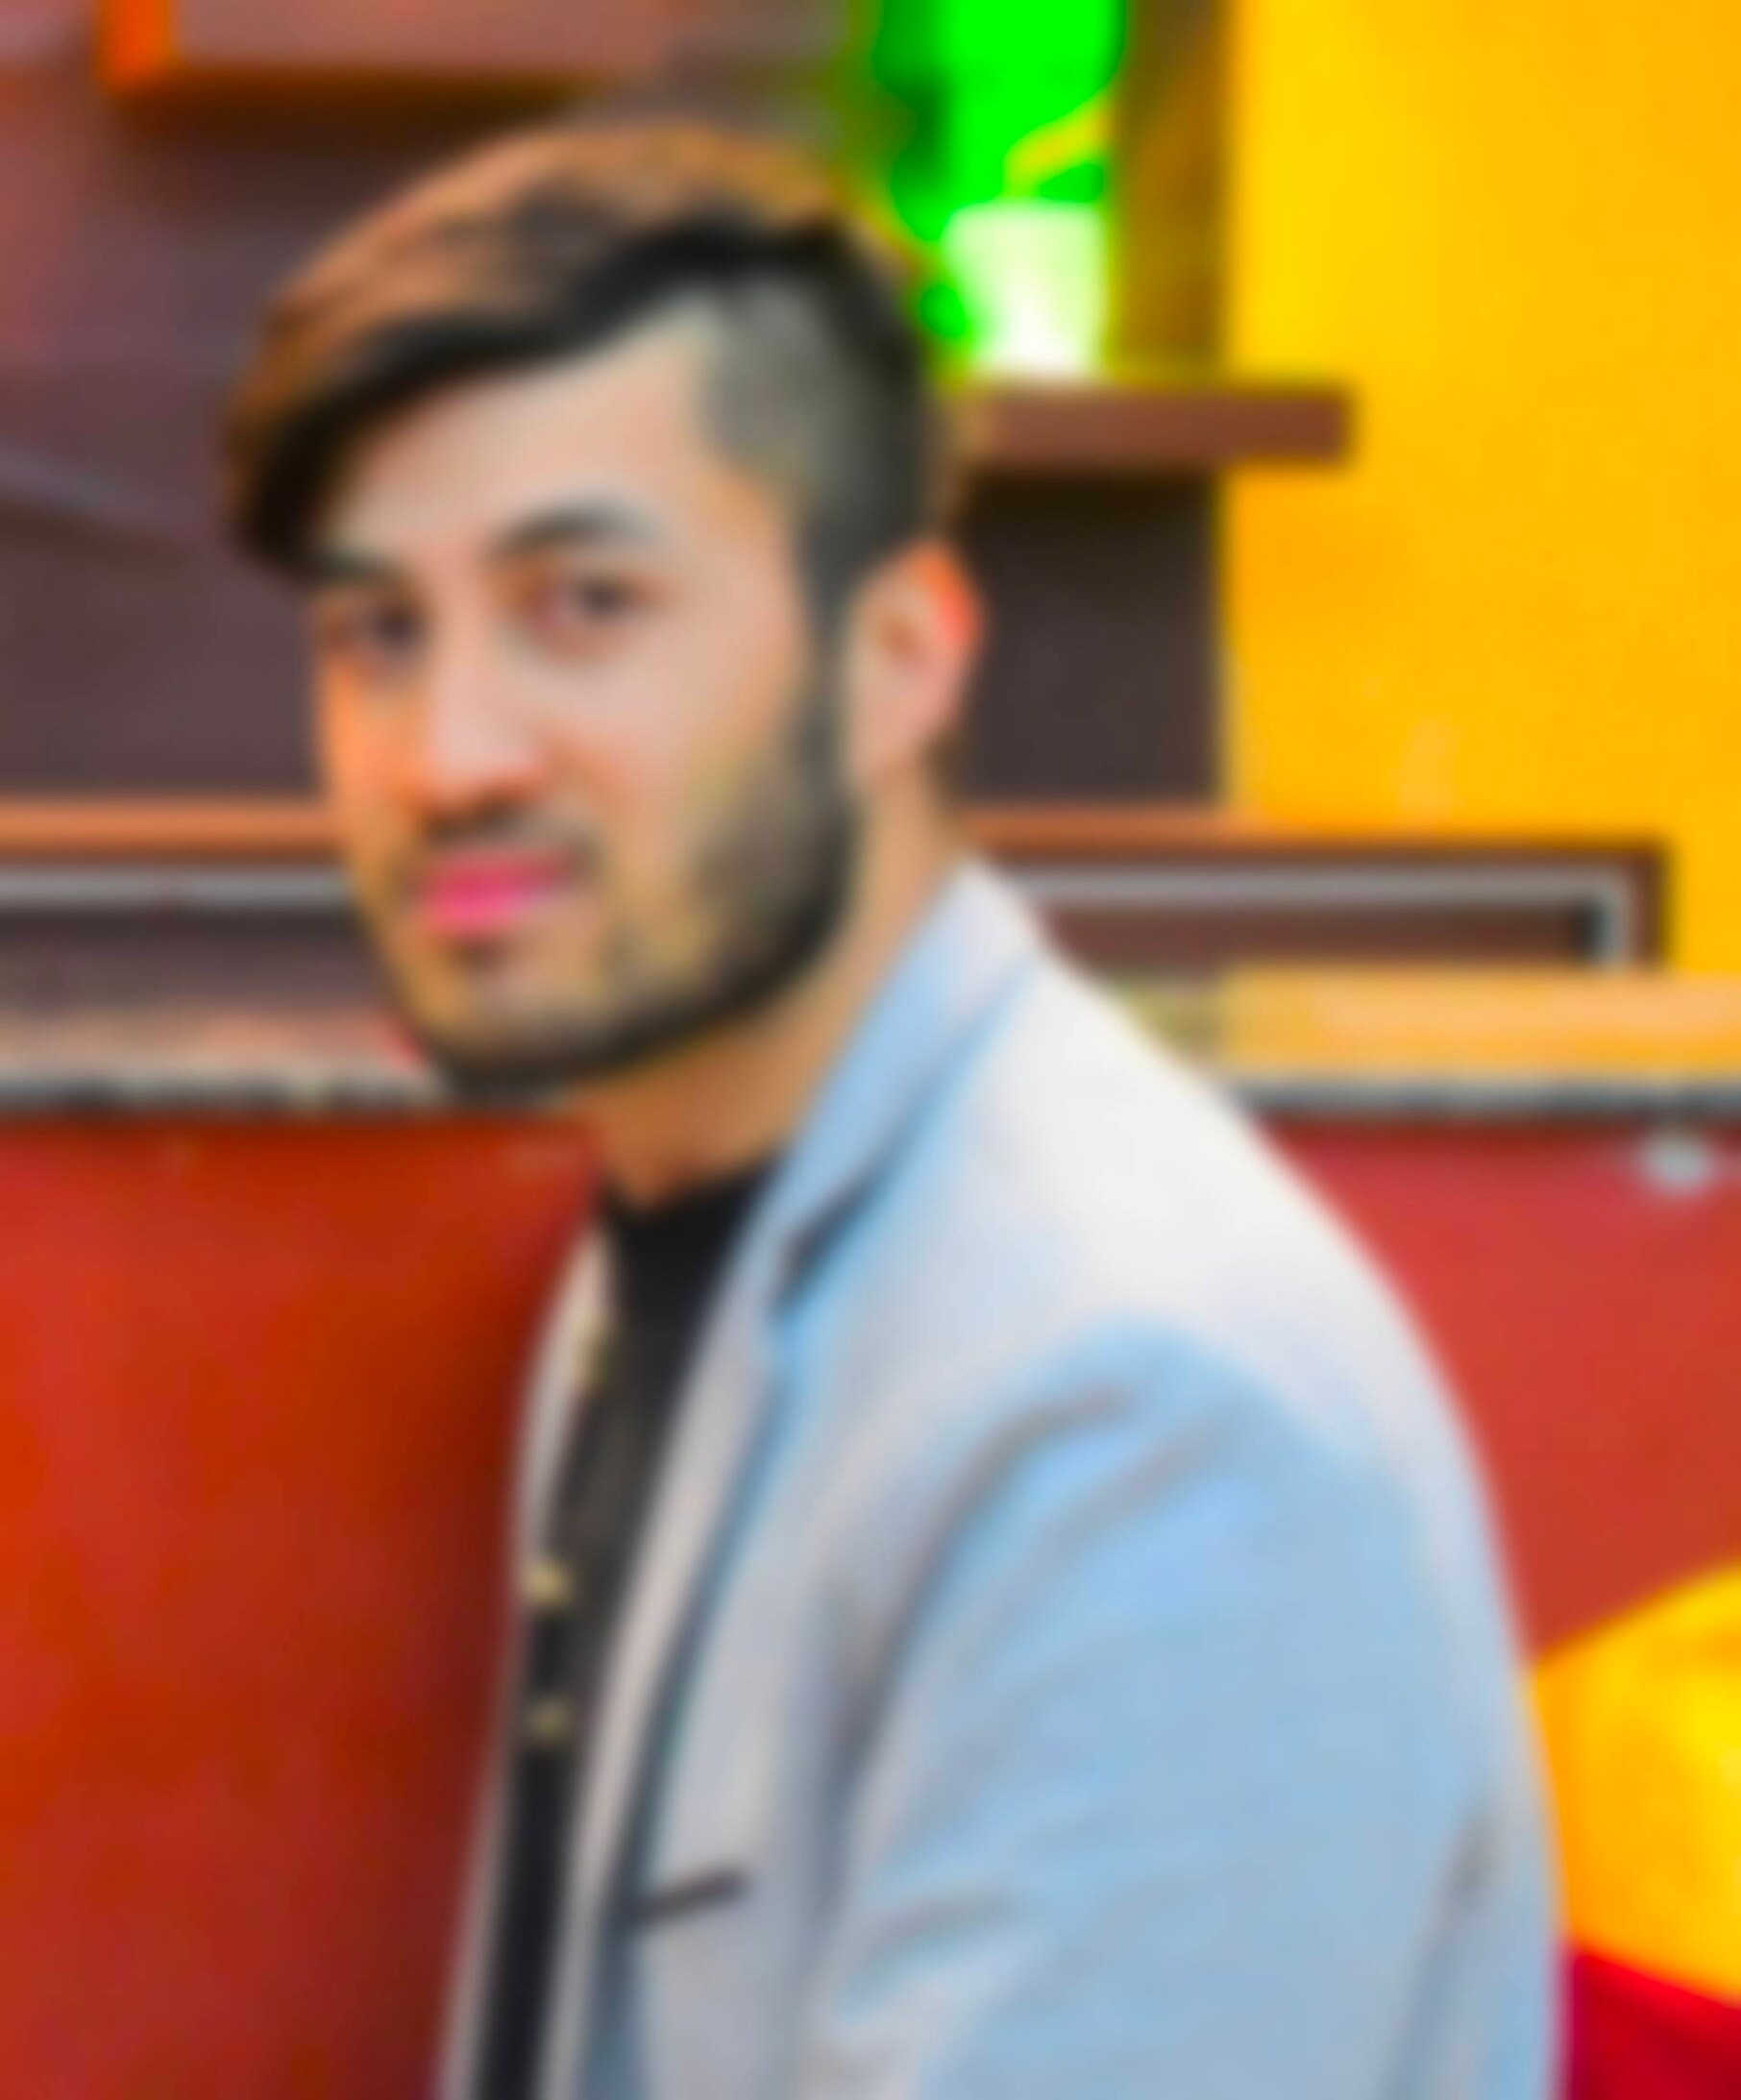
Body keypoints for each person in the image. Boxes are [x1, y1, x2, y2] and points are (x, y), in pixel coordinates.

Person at [223, 118, 1556, 2100]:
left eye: (583, 602)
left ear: (899, 658)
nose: (446, 755)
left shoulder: (1134, 1409)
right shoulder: (681, 1228)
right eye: (377, 635)